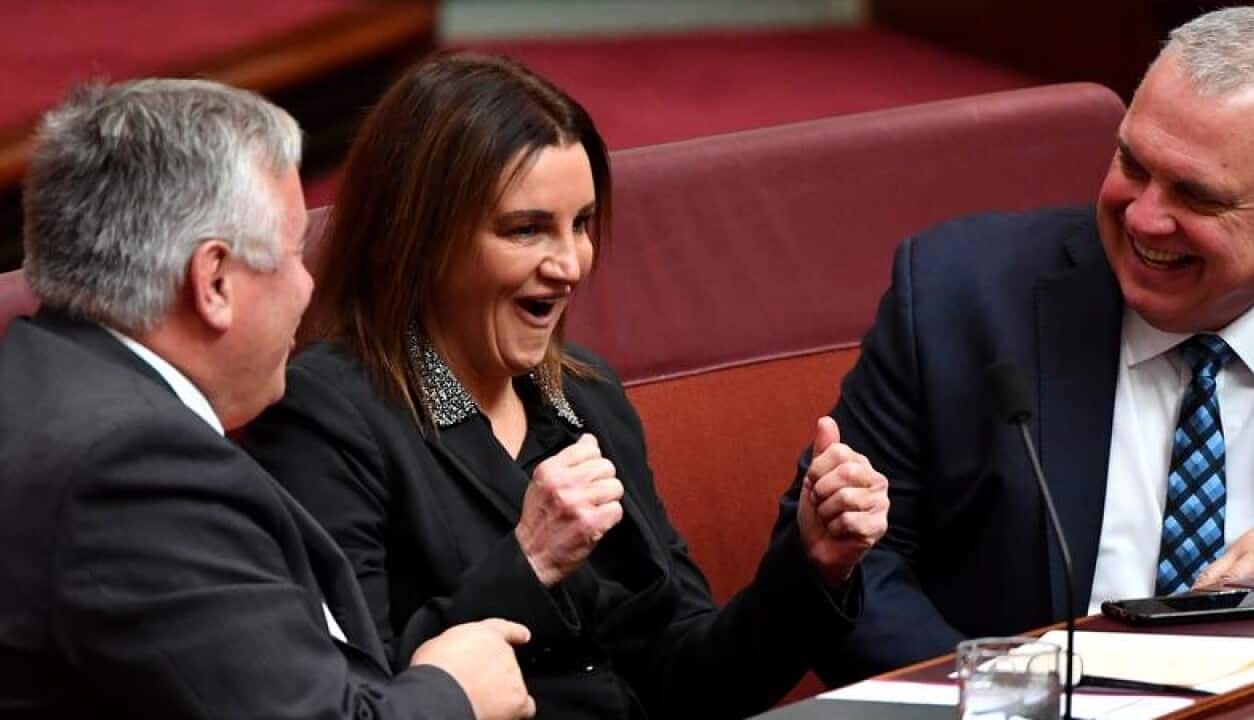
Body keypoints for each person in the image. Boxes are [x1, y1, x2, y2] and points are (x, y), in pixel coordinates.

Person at [242, 52, 889, 719]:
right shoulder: (323, 413)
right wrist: (528, 563)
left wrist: (813, 563)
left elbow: (690, 683)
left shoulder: (585, 395)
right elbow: (353, 697)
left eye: (580, 224)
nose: (570, 264)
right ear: (420, 238)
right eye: (526, 230)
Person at [770, 4, 1254, 685]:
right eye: (1132, 162)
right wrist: (999, 697)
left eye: (1197, 196)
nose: (1144, 216)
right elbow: (847, 566)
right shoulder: (962, 299)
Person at [0, 78, 535, 719]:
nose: (309, 288)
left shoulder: (43, 375)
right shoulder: (132, 471)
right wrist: (456, 694)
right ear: (215, 281)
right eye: (292, 255)